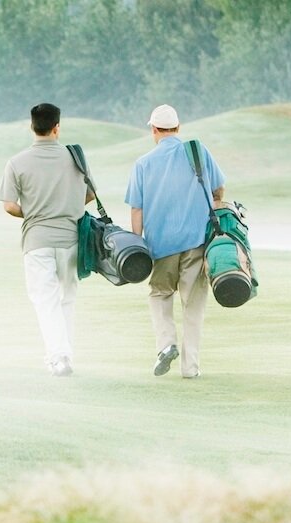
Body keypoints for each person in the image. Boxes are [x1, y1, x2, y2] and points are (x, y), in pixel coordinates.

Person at [124, 104, 225, 378]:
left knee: (159, 294)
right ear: (178, 128)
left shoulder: (143, 163)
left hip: (160, 246)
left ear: (154, 130)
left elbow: (137, 209)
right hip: (196, 242)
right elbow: (219, 189)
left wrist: (138, 244)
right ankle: (190, 368)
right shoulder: (197, 151)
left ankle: (166, 344)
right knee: (193, 304)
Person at [0, 103, 92, 376]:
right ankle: (64, 356)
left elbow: (9, 205)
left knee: (45, 300)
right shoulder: (75, 158)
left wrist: (36, 211)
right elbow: (89, 195)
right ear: (57, 127)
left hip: (36, 240)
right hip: (71, 239)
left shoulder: (17, 162)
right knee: (66, 300)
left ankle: (58, 357)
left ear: (32, 127)